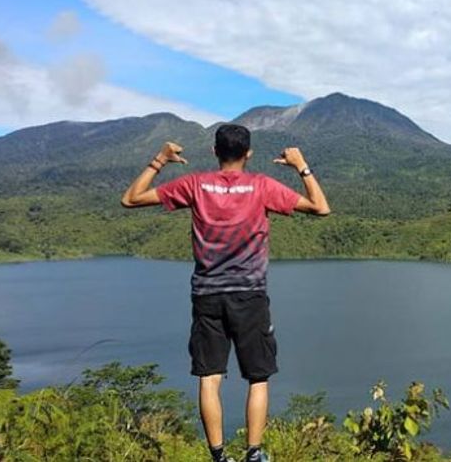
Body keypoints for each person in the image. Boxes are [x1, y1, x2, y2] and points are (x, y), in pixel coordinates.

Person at [120, 124, 330, 462]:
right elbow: (321, 207)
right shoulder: (261, 186)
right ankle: (254, 454)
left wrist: (160, 159)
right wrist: (301, 166)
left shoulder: (195, 184)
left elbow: (130, 199)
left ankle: (218, 457)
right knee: (258, 377)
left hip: (207, 295)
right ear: (248, 153)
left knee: (209, 376)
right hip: (250, 295)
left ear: (215, 152)